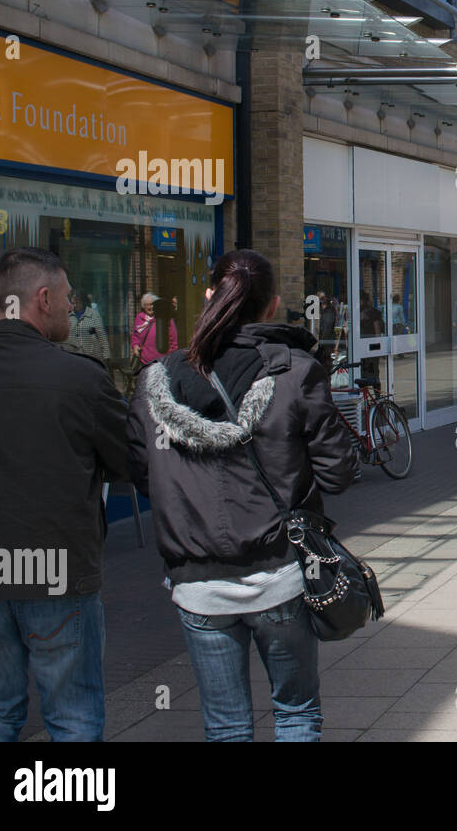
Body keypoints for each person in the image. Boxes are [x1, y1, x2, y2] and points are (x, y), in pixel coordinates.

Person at [126, 250, 357, 742]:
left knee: (226, 726)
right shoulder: (294, 371)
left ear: (209, 296)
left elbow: (144, 474)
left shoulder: (155, 381)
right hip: (279, 574)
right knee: (295, 715)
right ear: (272, 306)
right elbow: (339, 470)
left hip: (197, 581)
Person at [0, 248, 129, 742]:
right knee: (73, 717)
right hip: (56, 572)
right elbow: (129, 462)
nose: (70, 305)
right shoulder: (80, 378)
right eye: (66, 296)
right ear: (41, 298)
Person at [132, 292, 179, 367]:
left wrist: (171, 357)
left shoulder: (165, 318)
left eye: (152, 304)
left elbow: (173, 340)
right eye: (147, 305)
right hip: (144, 362)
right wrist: (135, 346)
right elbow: (135, 336)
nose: (150, 307)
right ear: (143, 306)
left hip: (163, 361)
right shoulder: (139, 318)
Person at [64, 289, 110, 363]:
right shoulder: (68, 315)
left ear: (83, 301)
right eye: (72, 303)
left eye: (77, 302)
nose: (74, 305)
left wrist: (106, 356)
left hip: (92, 357)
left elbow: (102, 336)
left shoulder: (93, 314)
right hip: (74, 358)